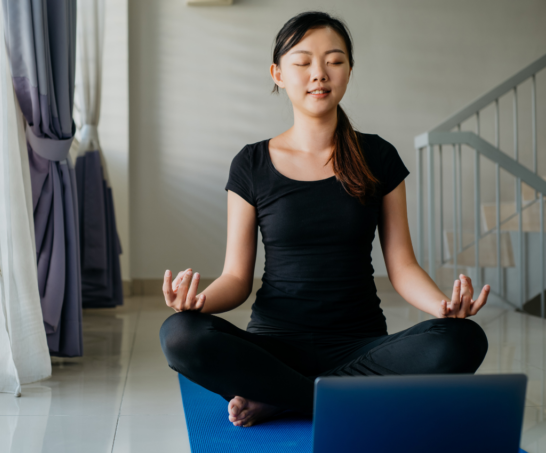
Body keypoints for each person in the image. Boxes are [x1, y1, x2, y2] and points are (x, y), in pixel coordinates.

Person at [159, 11, 489, 428]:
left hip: (361, 346)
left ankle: (283, 396)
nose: (319, 74)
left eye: (334, 61)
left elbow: (402, 267)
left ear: (349, 71)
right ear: (278, 73)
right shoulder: (251, 163)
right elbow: (237, 278)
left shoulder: (378, 157)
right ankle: (329, 396)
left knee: (462, 339)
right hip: (273, 348)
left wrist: (443, 306)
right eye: (303, 62)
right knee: (180, 335)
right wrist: (199, 303)